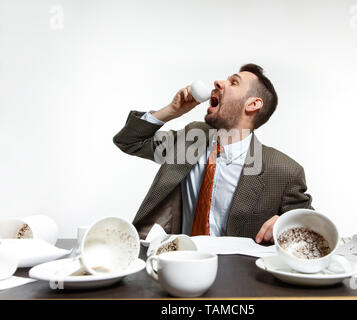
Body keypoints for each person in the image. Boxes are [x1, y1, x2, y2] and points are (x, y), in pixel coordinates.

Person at [113, 63, 312, 244]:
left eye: (233, 82)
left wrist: (286, 224)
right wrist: (171, 110)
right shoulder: (191, 138)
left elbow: (311, 230)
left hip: (240, 276)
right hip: (181, 264)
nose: (218, 82)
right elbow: (129, 141)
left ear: (252, 104)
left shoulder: (284, 171)